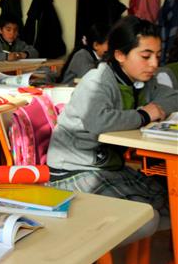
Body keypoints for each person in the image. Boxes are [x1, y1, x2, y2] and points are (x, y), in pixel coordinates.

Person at [47, 16, 177, 234]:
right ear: (120, 55)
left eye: (157, 55)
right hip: (74, 170)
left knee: (167, 203)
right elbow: (99, 122)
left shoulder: (143, 81)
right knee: (146, 217)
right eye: (146, 56)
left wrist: (154, 109)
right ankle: (89, 240)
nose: (154, 64)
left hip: (110, 166)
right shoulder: (97, 80)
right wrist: (144, 115)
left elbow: (173, 98)